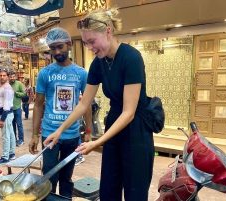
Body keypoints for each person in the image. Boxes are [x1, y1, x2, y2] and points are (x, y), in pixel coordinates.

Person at [42, 7, 155, 201]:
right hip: (114, 124)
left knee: (135, 192)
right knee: (108, 190)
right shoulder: (97, 63)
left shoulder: (131, 58)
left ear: (108, 32)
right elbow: (83, 104)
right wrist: (60, 130)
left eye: (92, 41)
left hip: (136, 129)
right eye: (86, 43)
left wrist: (97, 142)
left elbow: (129, 112)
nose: (90, 48)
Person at [28, 27, 91, 198]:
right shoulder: (45, 74)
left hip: (72, 135)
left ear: (69, 45)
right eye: (52, 48)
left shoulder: (81, 73)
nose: (56, 52)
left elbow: (87, 104)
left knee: (66, 176)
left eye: (60, 47)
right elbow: (39, 104)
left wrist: (88, 131)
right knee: (48, 176)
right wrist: (35, 134)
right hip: (49, 135)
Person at [0, 68, 16, 165]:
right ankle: (11, 153)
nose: (2, 77)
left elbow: (6, 105)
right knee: (10, 134)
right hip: (5, 114)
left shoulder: (7, 88)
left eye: (4, 75)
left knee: (6, 136)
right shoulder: (2, 87)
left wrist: (2, 119)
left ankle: (5, 157)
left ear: (7, 76)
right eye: (0, 75)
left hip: (5, 114)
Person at [9, 71, 26, 146]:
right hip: (9, 109)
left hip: (17, 108)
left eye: (13, 76)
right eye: (10, 77)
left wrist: (16, 93)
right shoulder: (7, 85)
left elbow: (24, 94)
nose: (12, 78)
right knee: (12, 125)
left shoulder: (19, 84)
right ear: (8, 77)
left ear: (15, 76)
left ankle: (21, 139)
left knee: (19, 124)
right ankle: (14, 139)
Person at [75, 94, 92, 166]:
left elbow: (83, 98)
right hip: (73, 113)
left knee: (76, 133)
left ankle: (79, 156)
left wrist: (88, 131)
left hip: (77, 113)